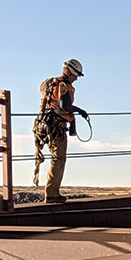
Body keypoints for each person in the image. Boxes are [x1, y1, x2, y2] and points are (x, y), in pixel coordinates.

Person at [33, 58, 89, 203]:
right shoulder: (64, 87)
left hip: (42, 125)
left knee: (56, 158)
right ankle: (51, 194)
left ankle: (52, 192)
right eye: (74, 75)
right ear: (67, 71)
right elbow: (66, 107)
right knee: (59, 159)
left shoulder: (48, 82)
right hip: (56, 128)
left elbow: (51, 101)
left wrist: (77, 110)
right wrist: (74, 114)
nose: (76, 78)